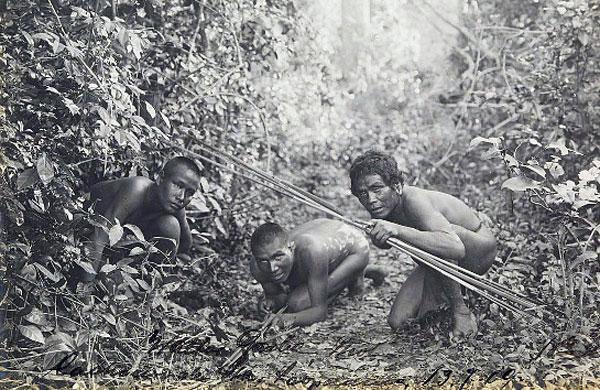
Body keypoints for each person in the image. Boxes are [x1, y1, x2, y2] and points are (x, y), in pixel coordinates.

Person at [349, 150, 497, 337]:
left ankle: (462, 311)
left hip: (477, 251)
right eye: (362, 193)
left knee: (442, 238)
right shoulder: (381, 203)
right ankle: (454, 295)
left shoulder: (413, 200)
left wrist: (398, 230)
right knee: (398, 322)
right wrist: (379, 235)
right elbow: (386, 244)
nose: (370, 199)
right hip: (436, 260)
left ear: (396, 186)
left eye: (377, 188)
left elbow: (455, 247)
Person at [77, 156, 202, 284]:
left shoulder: (176, 204)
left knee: (171, 225)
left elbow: (185, 245)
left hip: (117, 241)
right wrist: (84, 296)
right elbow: (98, 238)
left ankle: (151, 285)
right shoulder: (137, 189)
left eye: (190, 193)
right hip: (86, 225)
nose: (181, 197)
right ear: (161, 178)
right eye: (178, 185)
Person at [249, 219, 386, 327]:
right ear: (256, 258)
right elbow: (277, 296)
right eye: (263, 261)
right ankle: (351, 271)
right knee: (303, 285)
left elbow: (319, 312)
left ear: (291, 247)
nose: (272, 268)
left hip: (354, 247)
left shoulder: (312, 251)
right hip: (326, 248)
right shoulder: (257, 266)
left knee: (298, 304)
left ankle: (357, 270)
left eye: (278, 257)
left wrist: (284, 319)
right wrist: (270, 303)